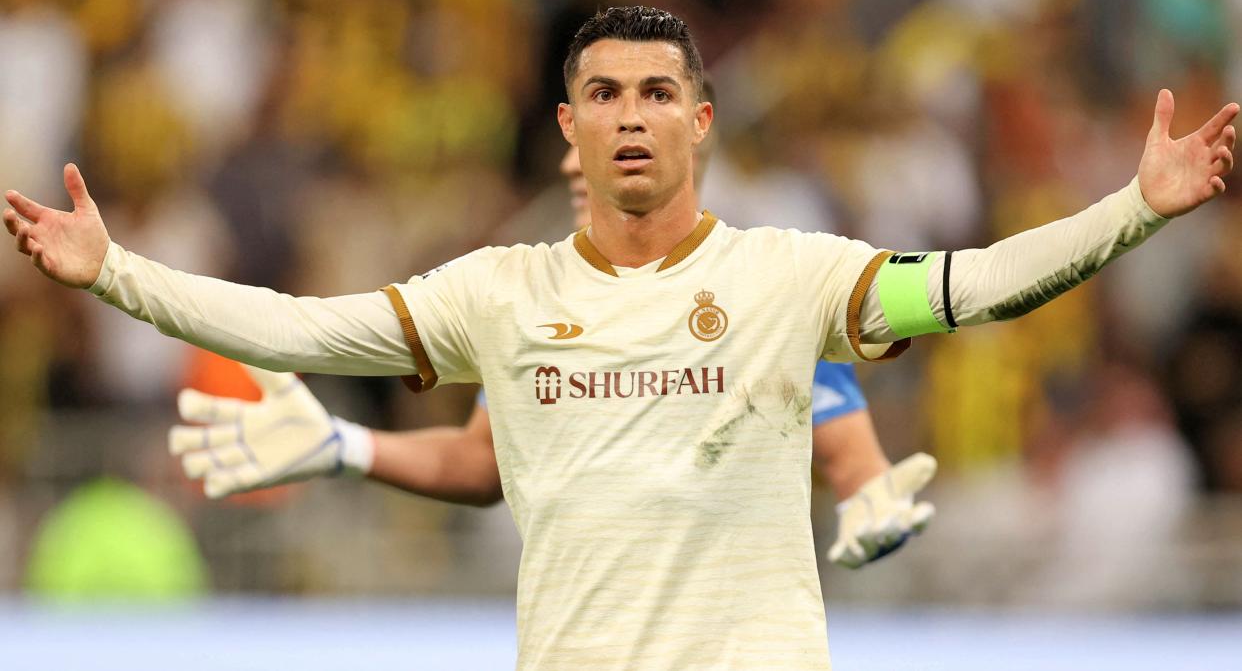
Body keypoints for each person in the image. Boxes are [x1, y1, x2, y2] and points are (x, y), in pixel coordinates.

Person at [4, 5, 1235, 671]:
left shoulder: (788, 276)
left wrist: (1134, 209)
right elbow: (302, 325)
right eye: (605, 94)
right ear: (568, 128)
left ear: (699, 123)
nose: (631, 117)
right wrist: (114, 272)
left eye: (656, 94)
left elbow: (976, 286)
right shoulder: (498, 291)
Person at [167, 138, 934, 569]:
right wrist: (346, 445)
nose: (582, 186)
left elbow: (842, 440)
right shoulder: (538, 306)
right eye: (571, 173)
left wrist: (869, 490)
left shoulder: (746, 294)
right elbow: (479, 464)